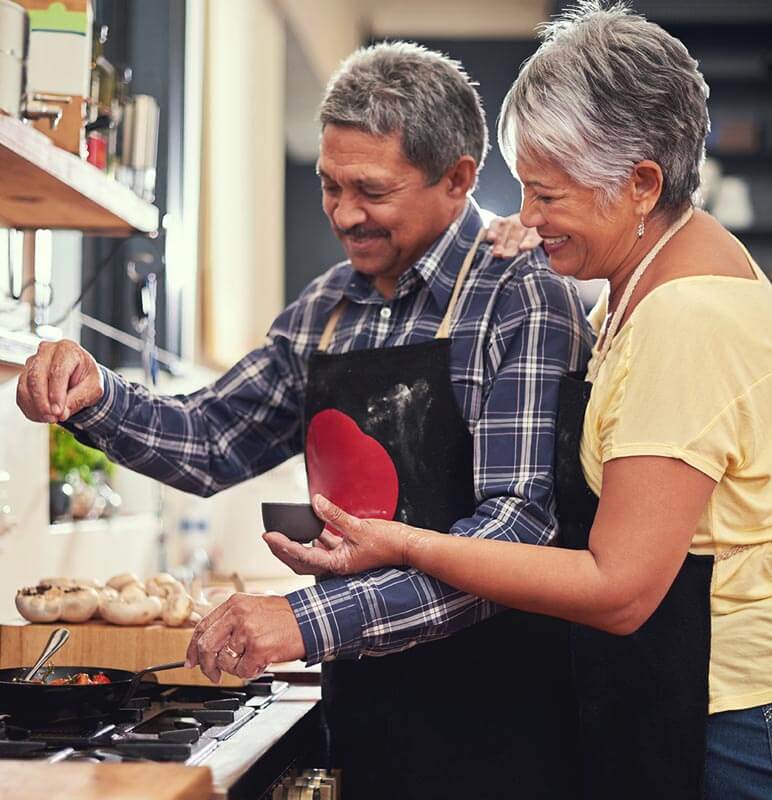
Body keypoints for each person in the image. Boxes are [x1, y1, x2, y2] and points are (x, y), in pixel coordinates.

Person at [16, 42, 591, 799]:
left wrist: (307, 620)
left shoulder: (520, 295)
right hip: (368, 710)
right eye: (329, 186)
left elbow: (517, 533)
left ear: (457, 177)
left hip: (505, 722)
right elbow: (213, 438)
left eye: (371, 190)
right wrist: (94, 395)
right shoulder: (327, 308)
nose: (345, 215)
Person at [263, 4, 772, 800]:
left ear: (640, 184)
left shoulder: (686, 318)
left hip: (725, 721)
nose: (524, 218)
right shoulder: (642, 288)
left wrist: (405, 544)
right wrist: (561, 229)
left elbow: (619, 588)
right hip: (673, 696)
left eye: (547, 194)